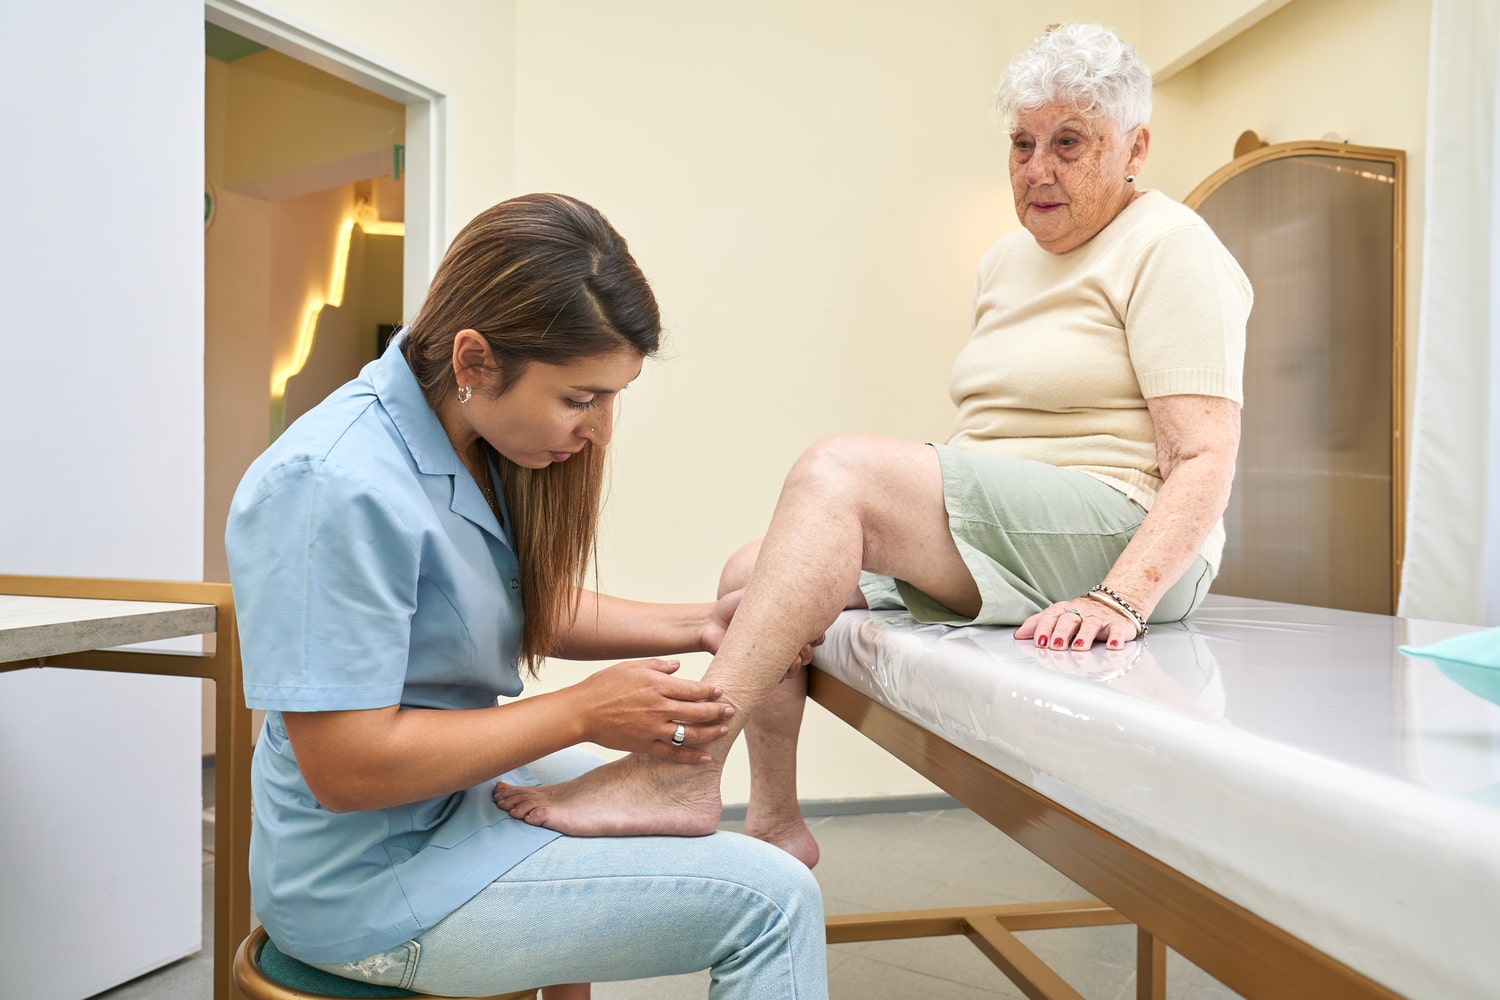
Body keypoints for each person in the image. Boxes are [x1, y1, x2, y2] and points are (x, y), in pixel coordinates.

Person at [492, 23, 1252, 867]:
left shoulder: (1172, 246)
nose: (1038, 168)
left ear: (1135, 146)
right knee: (755, 574)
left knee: (840, 470)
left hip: (1123, 531)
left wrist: (1120, 600)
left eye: (1069, 143)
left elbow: (1204, 455)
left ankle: (681, 764)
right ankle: (775, 819)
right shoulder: (1006, 260)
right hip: (1019, 529)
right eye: (1022, 143)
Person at [225, 193, 827, 999]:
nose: (601, 431)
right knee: (776, 900)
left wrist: (705, 623)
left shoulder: (466, 442)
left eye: (612, 398)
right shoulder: (330, 486)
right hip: (367, 885)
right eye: (581, 399)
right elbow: (346, 768)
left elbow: (505, 600)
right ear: (474, 362)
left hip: (438, 805)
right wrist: (582, 710)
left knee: (650, 789)